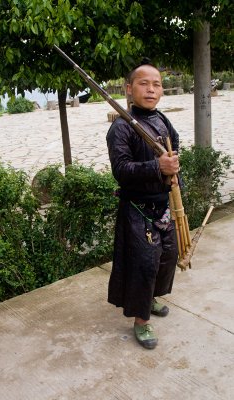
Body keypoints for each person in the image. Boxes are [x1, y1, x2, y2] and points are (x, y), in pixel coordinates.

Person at [106, 59, 180, 350]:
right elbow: (121, 170)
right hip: (137, 208)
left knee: (167, 258)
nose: (151, 89)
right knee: (144, 265)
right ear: (129, 89)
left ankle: (151, 298)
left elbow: (174, 147)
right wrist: (157, 167)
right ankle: (141, 321)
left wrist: (173, 172)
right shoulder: (121, 129)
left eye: (157, 84)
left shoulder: (162, 119)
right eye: (143, 83)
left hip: (162, 205)